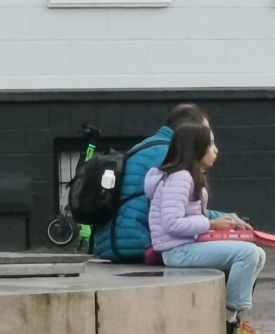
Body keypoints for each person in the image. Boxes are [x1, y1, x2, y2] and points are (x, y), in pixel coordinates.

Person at [145, 121, 271, 334]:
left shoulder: (185, 176)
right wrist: (210, 223)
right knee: (248, 253)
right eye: (210, 144)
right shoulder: (181, 178)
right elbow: (171, 223)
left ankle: (230, 318)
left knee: (258, 254)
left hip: (187, 245)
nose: (216, 150)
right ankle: (225, 323)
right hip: (177, 251)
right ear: (196, 147)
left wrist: (220, 226)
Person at [93, 104, 244, 261]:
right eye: (206, 136)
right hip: (141, 243)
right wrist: (218, 220)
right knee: (239, 253)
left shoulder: (142, 147)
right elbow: (178, 215)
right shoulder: (174, 159)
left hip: (109, 244)